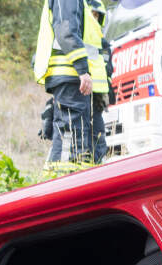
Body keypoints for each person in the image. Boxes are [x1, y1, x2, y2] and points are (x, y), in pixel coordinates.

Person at [33, 0, 111, 173]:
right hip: (71, 74)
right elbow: (66, 30)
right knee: (70, 144)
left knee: (77, 144)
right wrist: (83, 69)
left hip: (75, 78)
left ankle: (77, 185)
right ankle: (59, 187)